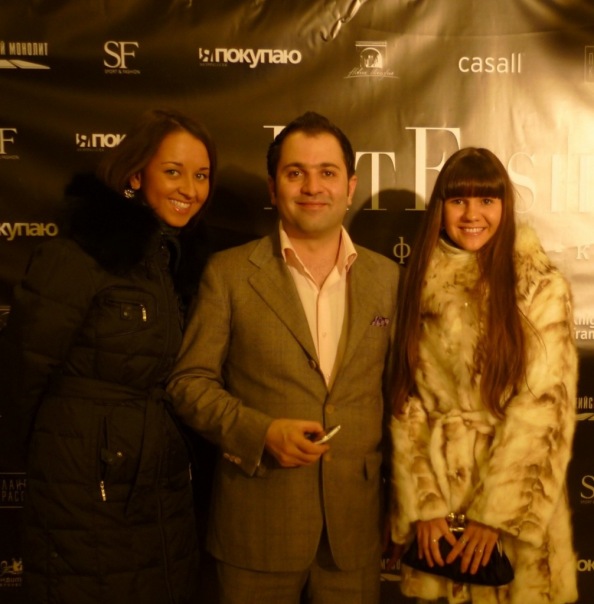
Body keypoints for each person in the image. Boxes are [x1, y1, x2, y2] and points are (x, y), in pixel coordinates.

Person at [167, 111, 400, 604]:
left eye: (327, 172)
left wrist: (404, 502)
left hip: (355, 533)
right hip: (256, 531)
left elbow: (401, 400)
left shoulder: (388, 279)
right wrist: (260, 432)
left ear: (351, 186)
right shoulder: (228, 274)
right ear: (274, 189)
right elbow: (189, 383)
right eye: (296, 173)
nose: (312, 186)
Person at [0, 108, 217, 604]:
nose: (190, 189)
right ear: (136, 175)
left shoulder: (176, 262)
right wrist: (67, 460)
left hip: (160, 488)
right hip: (82, 491)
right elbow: (23, 370)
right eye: (174, 171)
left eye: (202, 175)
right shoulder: (80, 253)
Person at [389, 147, 578, 603]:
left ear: (504, 206)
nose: (472, 214)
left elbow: (544, 410)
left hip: (515, 522)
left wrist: (495, 514)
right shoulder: (417, 282)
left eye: (486, 200)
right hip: (439, 517)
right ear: (441, 209)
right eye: (459, 200)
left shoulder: (539, 285)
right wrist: (425, 504)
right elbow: (406, 401)